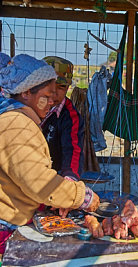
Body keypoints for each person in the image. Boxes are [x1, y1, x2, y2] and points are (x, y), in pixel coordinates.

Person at [0, 54, 99, 254]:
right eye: (48, 94)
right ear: (27, 92)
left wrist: (64, 187)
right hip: (6, 225)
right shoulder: (16, 123)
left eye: (58, 92)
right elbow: (37, 181)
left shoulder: (21, 116)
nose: (53, 100)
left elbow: (71, 152)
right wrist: (81, 196)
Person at [41, 56, 85, 180]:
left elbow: (73, 151)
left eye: (61, 87)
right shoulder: (25, 106)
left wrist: (69, 179)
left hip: (52, 178)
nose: (54, 92)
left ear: (67, 88)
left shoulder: (71, 117)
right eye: (49, 85)